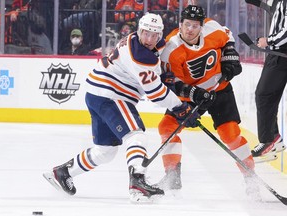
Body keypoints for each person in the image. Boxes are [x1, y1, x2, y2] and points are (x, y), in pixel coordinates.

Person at [43, 12, 200, 203]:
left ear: (159, 35)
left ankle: (63, 173)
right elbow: (156, 94)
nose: (149, 39)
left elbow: (155, 66)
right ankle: (138, 182)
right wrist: (181, 107)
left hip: (97, 93)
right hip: (111, 95)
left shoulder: (138, 41)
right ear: (139, 31)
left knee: (105, 151)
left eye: (153, 35)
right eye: (146, 33)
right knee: (136, 134)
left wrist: (161, 77)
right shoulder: (140, 56)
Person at [156, 5, 260, 200]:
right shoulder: (171, 49)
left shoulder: (213, 28)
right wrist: (193, 93)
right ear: (180, 24)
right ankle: (172, 176)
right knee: (166, 128)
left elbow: (227, 37)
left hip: (220, 90)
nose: (190, 30)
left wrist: (230, 55)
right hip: (191, 98)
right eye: (187, 25)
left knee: (230, 134)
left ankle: (250, 178)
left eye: (195, 26)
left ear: (202, 26)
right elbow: (172, 84)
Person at [251, 0, 287, 160]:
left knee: (264, 95)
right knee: (267, 97)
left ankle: (268, 140)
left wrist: (269, 40)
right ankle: (273, 138)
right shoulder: (278, 2)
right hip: (278, 54)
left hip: (281, 55)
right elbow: (265, 3)